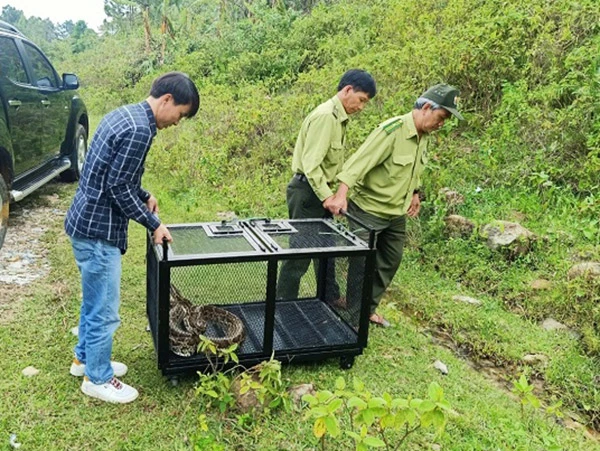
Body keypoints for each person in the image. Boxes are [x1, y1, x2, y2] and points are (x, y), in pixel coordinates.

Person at [65, 72, 200, 403]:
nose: (177, 123)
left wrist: (144, 194)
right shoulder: (141, 129)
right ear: (167, 100)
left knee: (93, 300)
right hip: (98, 232)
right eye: (180, 114)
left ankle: (84, 360)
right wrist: (153, 222)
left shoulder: (125, 114)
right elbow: (116, 187)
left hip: (84, 223)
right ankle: (97, 378)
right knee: (104, 308)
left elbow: (113, 174)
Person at [329, 83, 464, 327]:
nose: (442, 123)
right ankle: (351, 318)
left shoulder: (423, 135)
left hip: (396, 212)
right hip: (369, 209)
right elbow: (358, 164)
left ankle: (366, 309)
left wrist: (414, 192)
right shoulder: (392, 130)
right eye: (441, 117)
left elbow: (413, 169)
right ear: (426, 108)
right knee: (362, 265)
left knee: (390, 260)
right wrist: (341, 195)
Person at [275, 69, 377, 304]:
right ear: (347, 90)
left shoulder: (339, 119)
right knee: (300, 254)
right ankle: (283, 304)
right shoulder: (325, 117)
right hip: (308, 192)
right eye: (361, 100)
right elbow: (311, 165)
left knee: (326, 250)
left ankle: (329, 297)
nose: (361, 107)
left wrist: (334, 194)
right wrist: (327, 197)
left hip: (321, 191)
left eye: (365, 103)